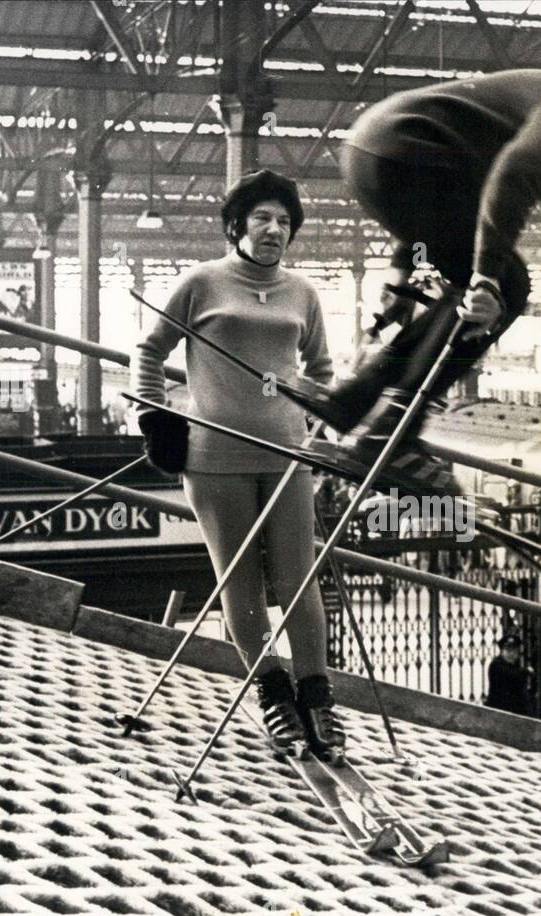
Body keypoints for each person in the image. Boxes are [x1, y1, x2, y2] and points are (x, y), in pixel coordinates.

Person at [281, 71, 541, 485]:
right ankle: (391, 430)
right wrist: (485, 279)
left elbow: (466, 186)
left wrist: (403, 277)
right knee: (511, 285)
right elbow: (512, 175)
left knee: (480, 287)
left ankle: (353, 399)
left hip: (378, 151)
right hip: (405, 153)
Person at [131, 169, 346, 758]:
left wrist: (312, 422)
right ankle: (273, 694)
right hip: (213, 457)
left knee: (299, 581)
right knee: (240, 583)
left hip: (286, 457)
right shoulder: (202, 282)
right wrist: (154, 418)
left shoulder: (303, 292)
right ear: (236, 227)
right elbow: (150, 350)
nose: (275, 229)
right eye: (262, 219)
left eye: (284, 221)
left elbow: (324, 371)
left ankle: (316, 695)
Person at [485, 633, 533, 715]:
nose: (511, 654)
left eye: (514, 651)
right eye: (508, 650)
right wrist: (526, 671)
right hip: (498, 711)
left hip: (515, 712)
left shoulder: (515, 666)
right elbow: (510, 675)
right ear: (502, 651)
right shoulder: (496, 665)